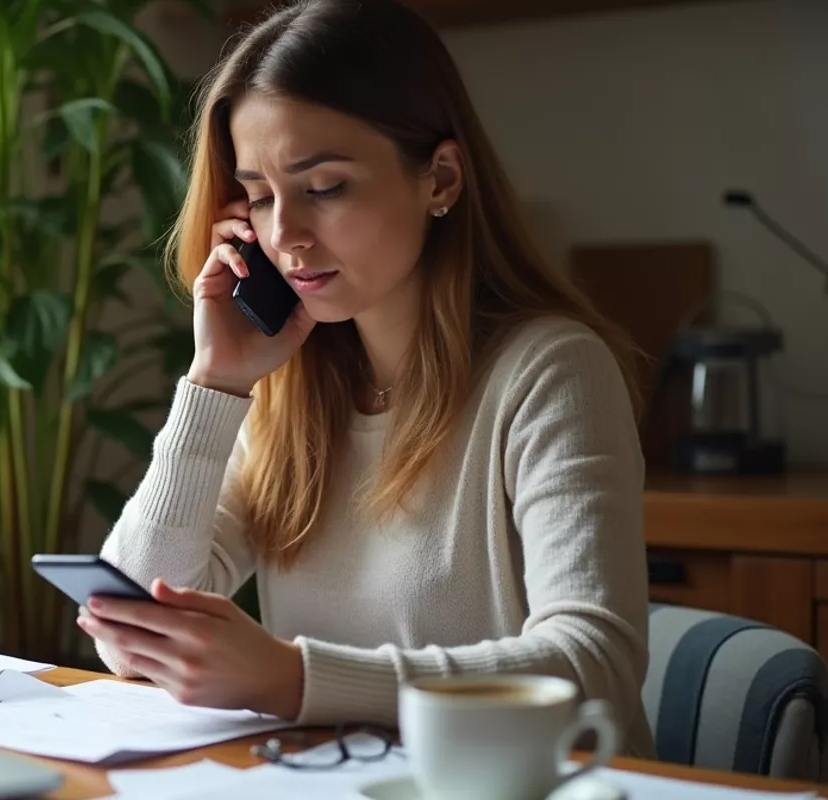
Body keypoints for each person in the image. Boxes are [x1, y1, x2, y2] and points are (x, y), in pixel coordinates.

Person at [74, 0, 656, 757]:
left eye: (324, 187)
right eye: (259, 196)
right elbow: (126, 630)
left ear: (440, 178)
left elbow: (595, 664)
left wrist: (294, 679)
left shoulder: (552, 373)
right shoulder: (288, 394)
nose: (284, 234)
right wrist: (214, 383)